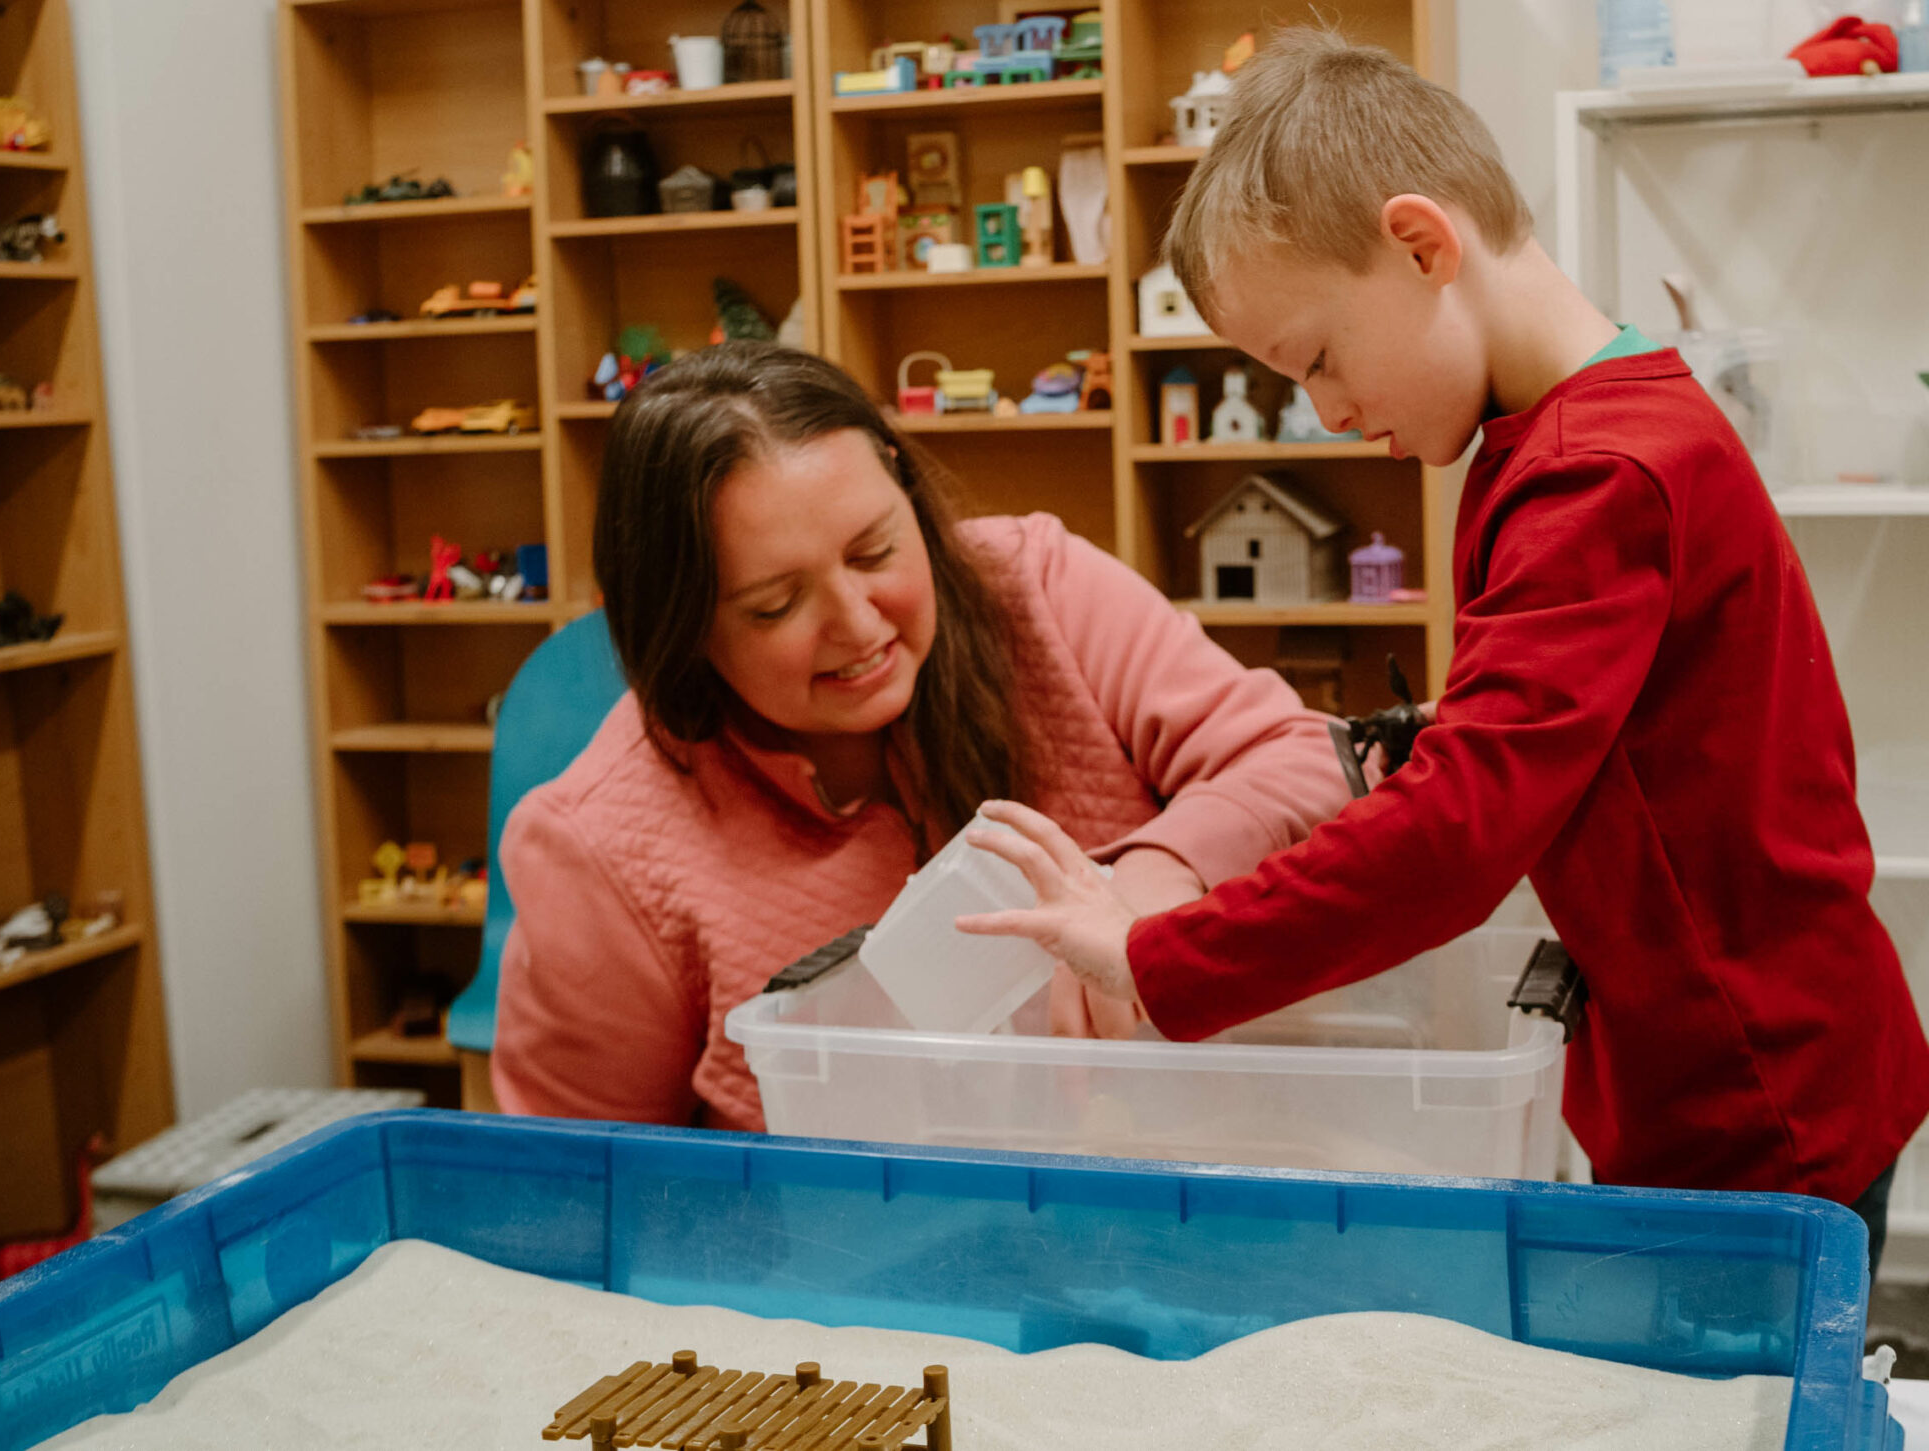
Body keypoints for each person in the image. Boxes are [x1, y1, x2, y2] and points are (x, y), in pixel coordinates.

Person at [960, 28, 1929, 1263]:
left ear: (1423, 246)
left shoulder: (1594, 475)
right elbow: (1609, 729)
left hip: (1750, 1097)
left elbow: (1461, 831)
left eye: (1317, 359)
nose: (1326, 412)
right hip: (1732, 1056)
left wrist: (1160, 958)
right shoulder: (1587, 426)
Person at [491, 345, 1350, 1128]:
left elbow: (1304, 754)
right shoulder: (598, 848)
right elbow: (585, 1190)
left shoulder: (1042, 589)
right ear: (681, 630)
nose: (859, 624)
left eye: (874, 550)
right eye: (776, 605)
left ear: (905, 487)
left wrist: (1158, 873)